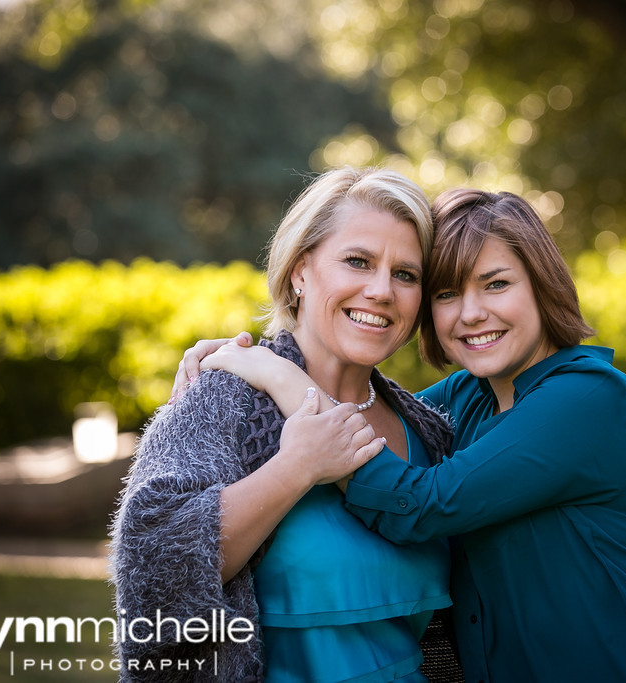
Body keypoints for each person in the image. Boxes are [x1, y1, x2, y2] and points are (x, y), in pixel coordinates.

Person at [178, 189, 626, 682]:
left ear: (541, 286)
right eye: (446, 294)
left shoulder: (589, 398)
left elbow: (418, 504)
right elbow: (374, 414)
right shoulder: (465, 398)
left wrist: (277, 375)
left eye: (496, 284)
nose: (470, 313)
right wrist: (238, 358)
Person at [110, 166, 464, 682]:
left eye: (406, 275)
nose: (382, 291)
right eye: (358, 262)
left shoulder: (432, 432)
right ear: (300, 271)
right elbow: (152, 577)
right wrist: (295, 468)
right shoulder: (222, 398)